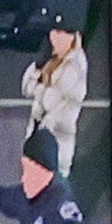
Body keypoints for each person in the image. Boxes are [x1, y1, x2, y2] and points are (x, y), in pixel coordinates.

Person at [20, 12, 92, 184]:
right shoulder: (52, 60)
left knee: (54, 194)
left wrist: (41, 84)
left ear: (74, 37)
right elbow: (26, 89)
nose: (56, 37)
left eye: (63, 34)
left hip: (57, 142)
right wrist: (38, 66)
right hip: (38, 137)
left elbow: (49, 101)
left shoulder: (75, 66)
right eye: (54, 32)